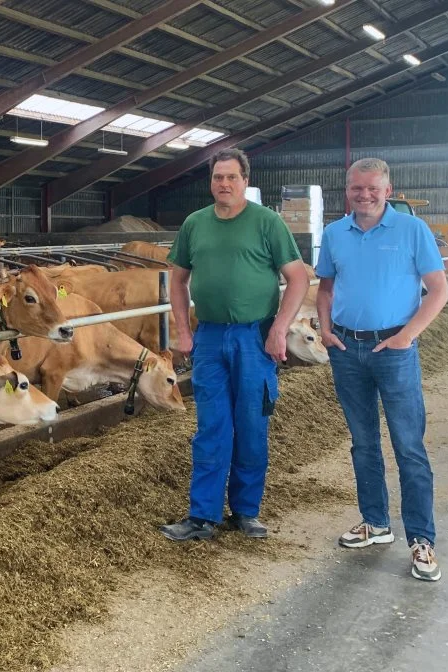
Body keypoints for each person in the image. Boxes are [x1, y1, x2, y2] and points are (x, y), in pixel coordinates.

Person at [159, 148, 310, 542]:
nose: (224, 184)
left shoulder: (267, 223)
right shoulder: (195, 224)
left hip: (254, 338)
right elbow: (177, 280)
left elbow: (298, 278)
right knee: (211, 427)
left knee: (251, 425)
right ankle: (202, 516)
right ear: (211, 182)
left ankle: (245, 512)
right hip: (208, 336)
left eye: (231, 177)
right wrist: (183, 330)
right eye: (217, 178)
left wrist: (279, 329)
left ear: (245, 180)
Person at [315, 157, 448, 582]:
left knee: (409, 445)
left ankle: (421, 539)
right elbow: (326, 286)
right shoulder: (335, 233)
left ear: (388, 190)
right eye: (357, 188)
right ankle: (375, 523)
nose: (365, 195)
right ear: (347, 190)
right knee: (363, 442)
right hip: (346, 347)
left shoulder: (412, 230)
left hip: (394, 349)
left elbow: (438, 288)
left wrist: (407, 336)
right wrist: (324, 329)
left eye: (373, 188)